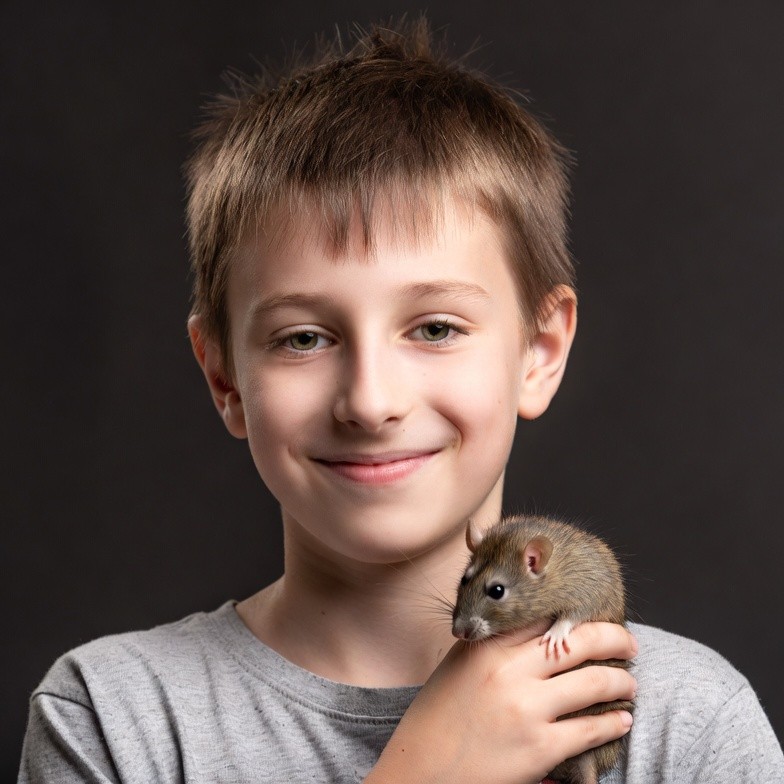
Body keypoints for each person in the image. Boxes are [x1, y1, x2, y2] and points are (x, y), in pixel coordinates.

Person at [18, 18, 783, 783]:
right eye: (304, 338)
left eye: (436, 327)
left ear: (539, 353)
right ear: (224, 378)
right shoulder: (111, 720)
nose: (371, 401)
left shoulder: (688, 726)